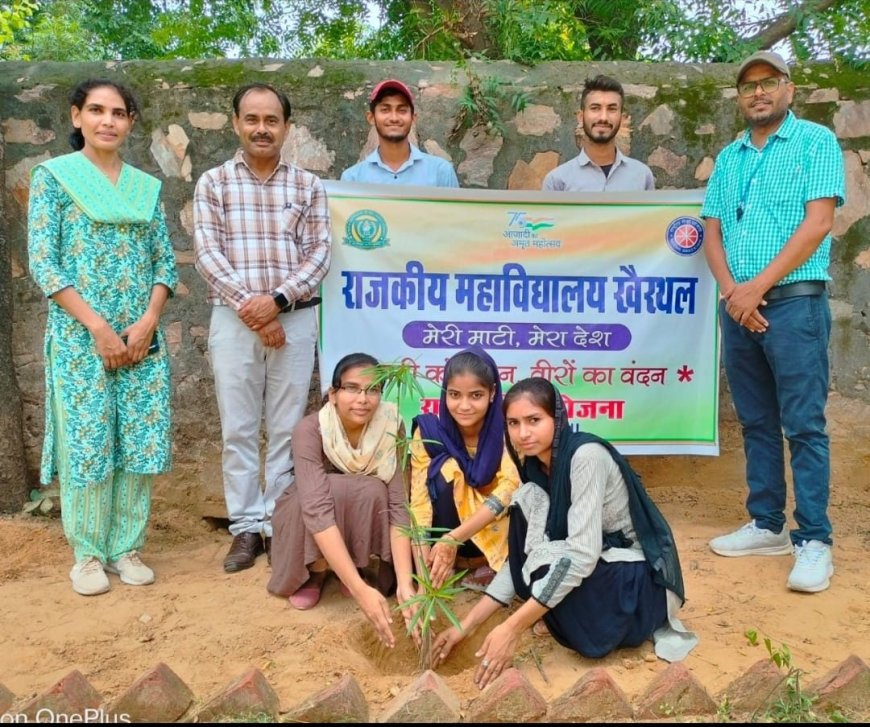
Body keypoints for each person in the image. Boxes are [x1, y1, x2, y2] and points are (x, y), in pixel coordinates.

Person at [433, 378, 696, 689]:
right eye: (514, 423)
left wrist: (512, 627)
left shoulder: (585, 456)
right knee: (526, 519)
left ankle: (610, 623)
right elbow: (518, 561)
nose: (523, 433)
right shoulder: (534, 469)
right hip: (600, 564)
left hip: (636, 579)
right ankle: (558, 614)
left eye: (534, 420)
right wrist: (464, 626)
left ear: (556, 418)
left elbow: (582, 555)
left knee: (555, 574)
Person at [700, 51, 845, 593]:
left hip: (793, 304)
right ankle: (767, 524)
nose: (757, 93)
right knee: (756, 422)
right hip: (739, 307)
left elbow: (819, 224)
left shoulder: (815, 143)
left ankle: (814, 539)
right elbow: (712, 231)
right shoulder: (730, 158)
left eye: (768, 83)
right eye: (747, 87)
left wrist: (755, 289)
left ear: (789, 88)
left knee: (803, 425)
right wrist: (734, 294)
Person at [27, 78, 178, 596]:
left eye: (118, 112)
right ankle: (89, 555)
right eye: (97, 110)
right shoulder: (54, 178)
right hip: (81, 339)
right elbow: (44, 263)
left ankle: (127, 547)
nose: (108, 121)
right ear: (76, 117)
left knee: (138, 436)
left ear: (131, 122)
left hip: (141, 339)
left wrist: (148, 320)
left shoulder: (145, 188)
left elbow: (164, 261)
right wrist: (97, 327)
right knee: (89, 439)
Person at [193, 83, 331, 573]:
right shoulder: (213, 183)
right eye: (252, 119)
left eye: (272, 120)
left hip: (293, 320)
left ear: (286, 128)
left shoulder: (308, 187)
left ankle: (279, 524)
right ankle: (245, 529)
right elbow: (208, 254)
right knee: (239, 429)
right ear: (235, 123)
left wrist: (275, 303)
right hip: (233, 324)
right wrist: (253, 311)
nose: (261, 129)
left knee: (289, 426)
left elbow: (319, 254)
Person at [266, 353, 414, 648]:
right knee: (333, 489)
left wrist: (407, 585)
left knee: (373, 490)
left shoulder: (390, 426)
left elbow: (399, 505)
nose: (363, 399)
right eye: (352, 388)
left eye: (373, 390)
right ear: (333, 394)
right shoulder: (310, 429)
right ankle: (317, 572)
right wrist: (360, 590)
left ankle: (355, 566)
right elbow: (316, 508)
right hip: (304, 508)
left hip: (352, 506)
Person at [408, 347, 520, 593]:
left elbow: (509, 489)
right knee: (445, 469)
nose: (464, 405)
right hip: (446, 538)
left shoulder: (509, 430)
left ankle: (490, 563)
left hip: (495, 532)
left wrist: (454, 537)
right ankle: (448, 564)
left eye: (476, 395)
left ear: (492, 393)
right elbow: (420, 505)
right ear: (444, 393)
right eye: (455, 395)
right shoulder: (429, 434)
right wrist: (423, 581)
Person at [542, 74, 655, 192]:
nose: (603, 117)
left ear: (621, 118)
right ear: (581, 117)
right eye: (595, 108)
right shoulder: (557, 181)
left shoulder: (642, 176)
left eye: (612, 109)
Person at [340, 78, 459, 187]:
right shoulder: (353, 179)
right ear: (371, 117)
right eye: (385, 110)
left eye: (402, 110)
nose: (394, 118)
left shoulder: (441, 173)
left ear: (413, 118)